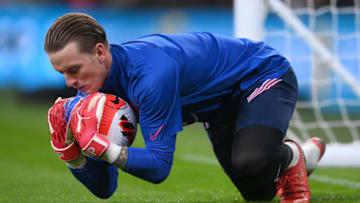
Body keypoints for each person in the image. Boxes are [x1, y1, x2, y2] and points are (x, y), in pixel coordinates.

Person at [44, 12, 326, 202]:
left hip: (260, 74)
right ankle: (307, 155)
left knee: (251, 161)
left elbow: (159, 168)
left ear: (100, 52)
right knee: (259, 194)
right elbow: (106, 189)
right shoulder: (90, 95)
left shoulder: (150, 78)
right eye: (62, 74)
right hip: (217, 108)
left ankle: (291, 155)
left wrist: (106, 150)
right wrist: (73, 157)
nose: (70, 82)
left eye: (74, 69)